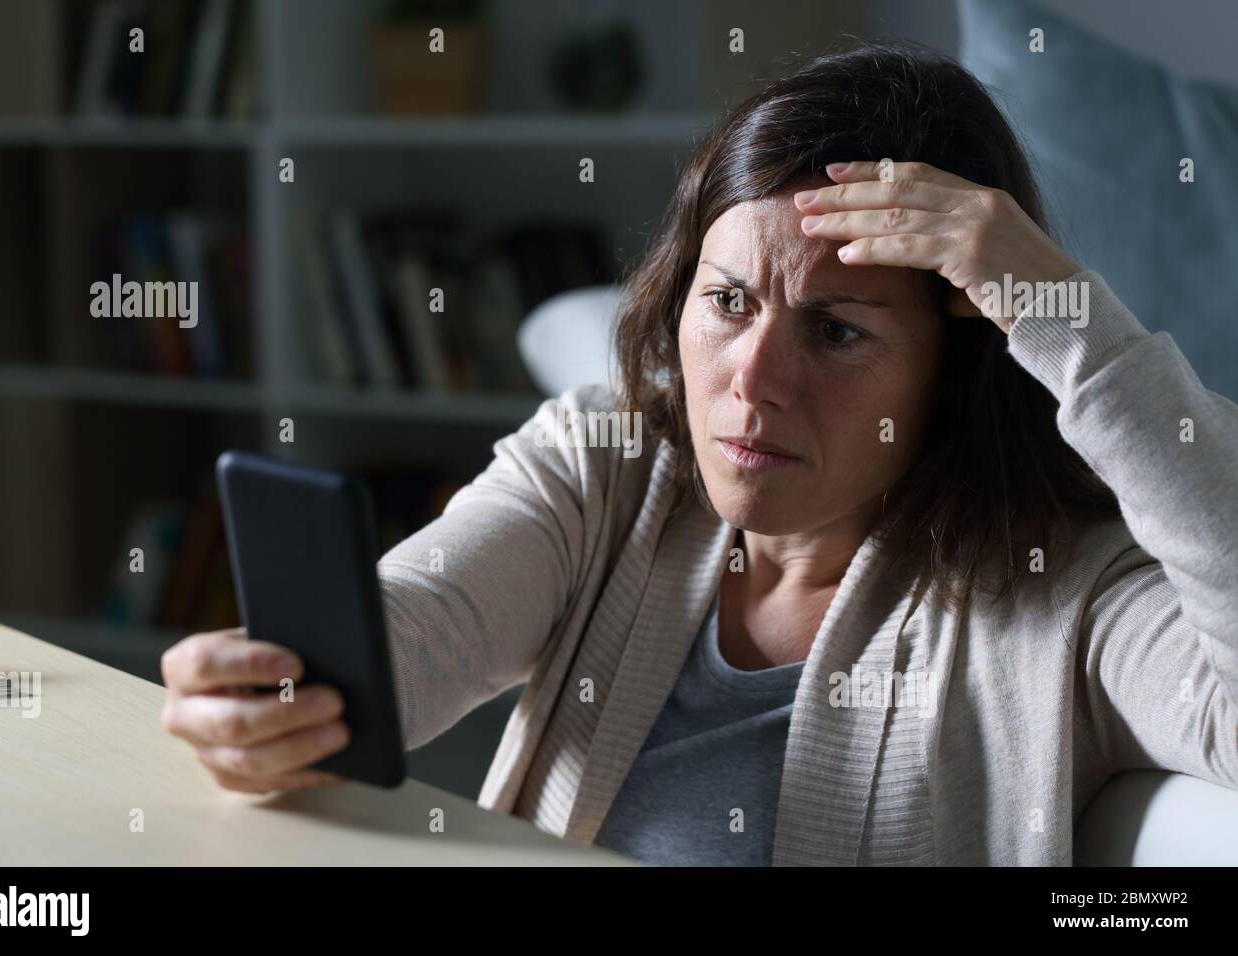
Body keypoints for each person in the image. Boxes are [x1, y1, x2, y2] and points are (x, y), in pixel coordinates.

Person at [160, 41, 1238, 865]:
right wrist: (274, 688)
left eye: (835, 329)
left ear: (950, 374)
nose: (751, 380)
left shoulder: (1064, 593)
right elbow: (417, 628)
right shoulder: (610, 461)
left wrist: (1059, 310)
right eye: (726, 302)